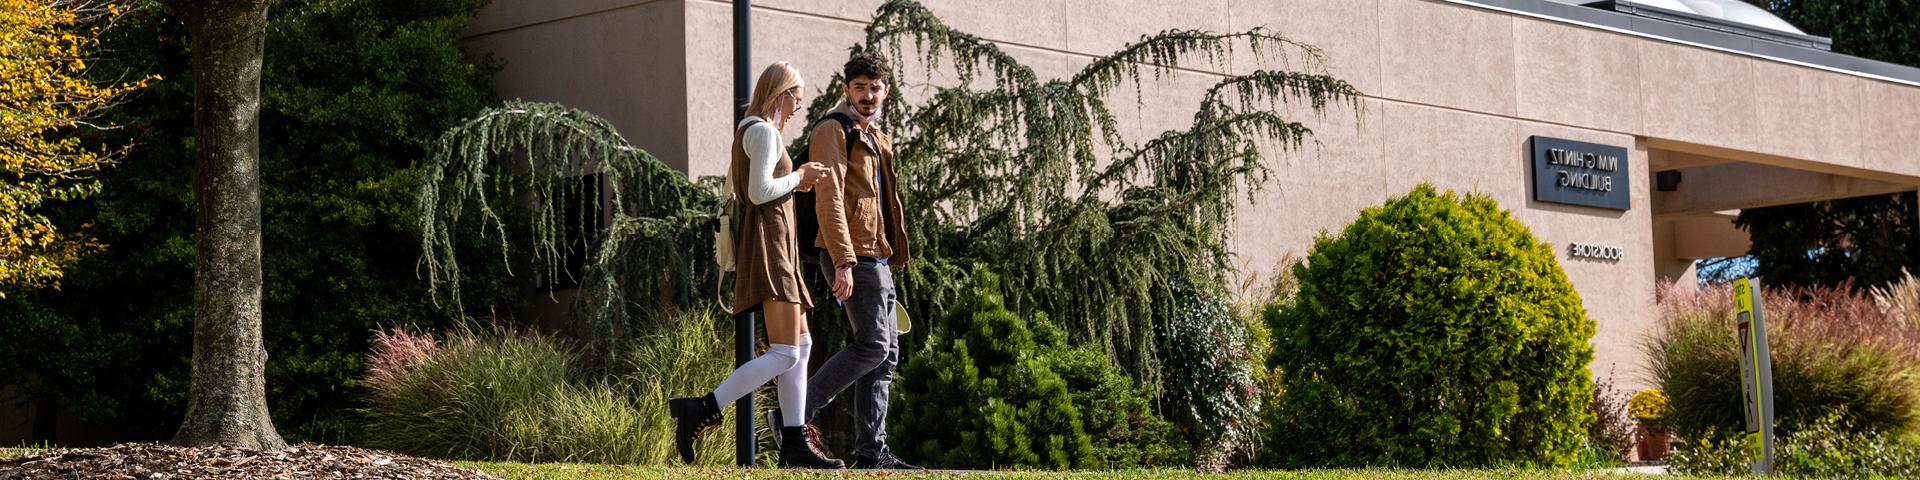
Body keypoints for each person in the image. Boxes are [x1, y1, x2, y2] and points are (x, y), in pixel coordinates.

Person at [668, 61, 842, 469]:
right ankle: (703, 408)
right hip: (770, 248)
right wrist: (799, 177)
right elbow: (760, 191)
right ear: (779, 95)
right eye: (795, 99)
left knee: (802, 345)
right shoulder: (762, 131)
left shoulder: (754, 130)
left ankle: (795, 441)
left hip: (776, 244)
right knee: (784, 351)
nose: (798, 107)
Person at [794, 50, 924, 470]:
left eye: (875, 87)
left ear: (886, 90)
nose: (868, 95)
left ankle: (872, 451)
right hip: (853, 255)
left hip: (877, 256)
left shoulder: (874, 135)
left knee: (886, 354)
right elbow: (829, 199)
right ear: (845, 89)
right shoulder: (834, 130)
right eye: (860, 87)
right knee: (872, 345)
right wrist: (843, 260)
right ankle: (793, 416)